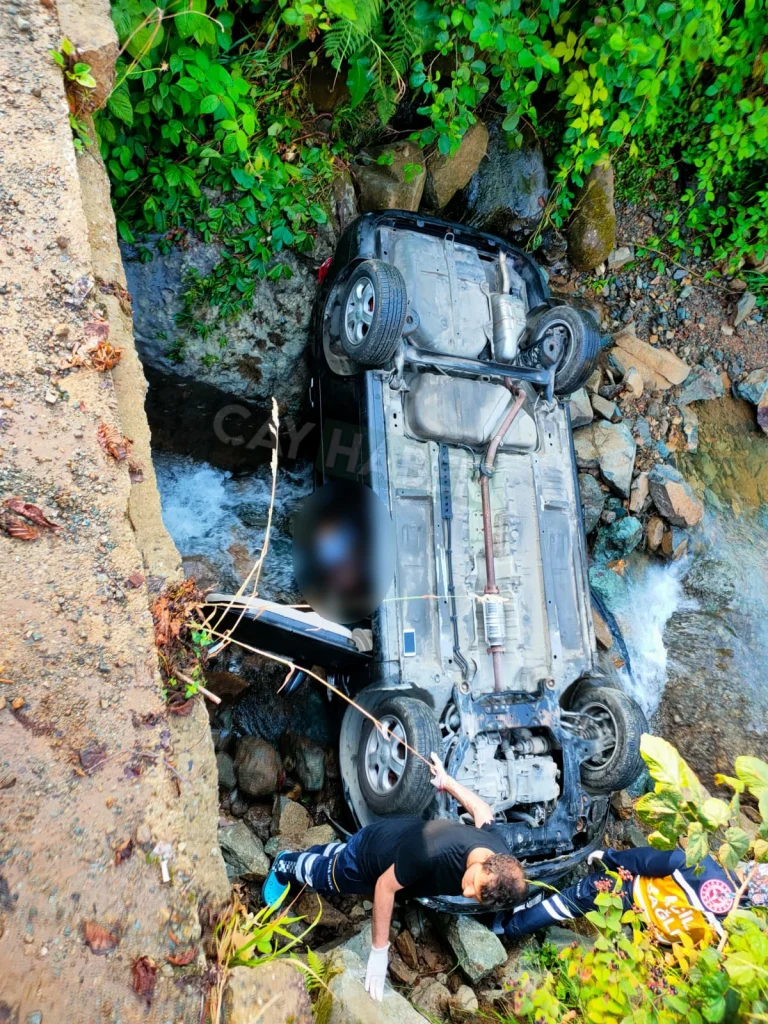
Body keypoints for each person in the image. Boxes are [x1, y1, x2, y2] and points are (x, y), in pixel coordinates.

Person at [262, 752, 527, 1001]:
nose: (467, 892)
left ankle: (322, 854)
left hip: (395, 840)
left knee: (338, 857)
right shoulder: (431, 851)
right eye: (473, 884)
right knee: (326, 877)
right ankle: (285, 864)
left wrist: (447, 782)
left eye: (477, 897)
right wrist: (379, 952)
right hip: (371, 857)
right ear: (486, 863)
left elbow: (482, 811)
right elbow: (384, 887)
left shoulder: (499, 852)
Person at [496, 845, 748, 945]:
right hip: (646, 928)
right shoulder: (732, 928)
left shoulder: (699, 863)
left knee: (567, 903)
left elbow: (646, 860)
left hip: (626, 891)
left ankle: (510, 926)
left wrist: (609, 856)